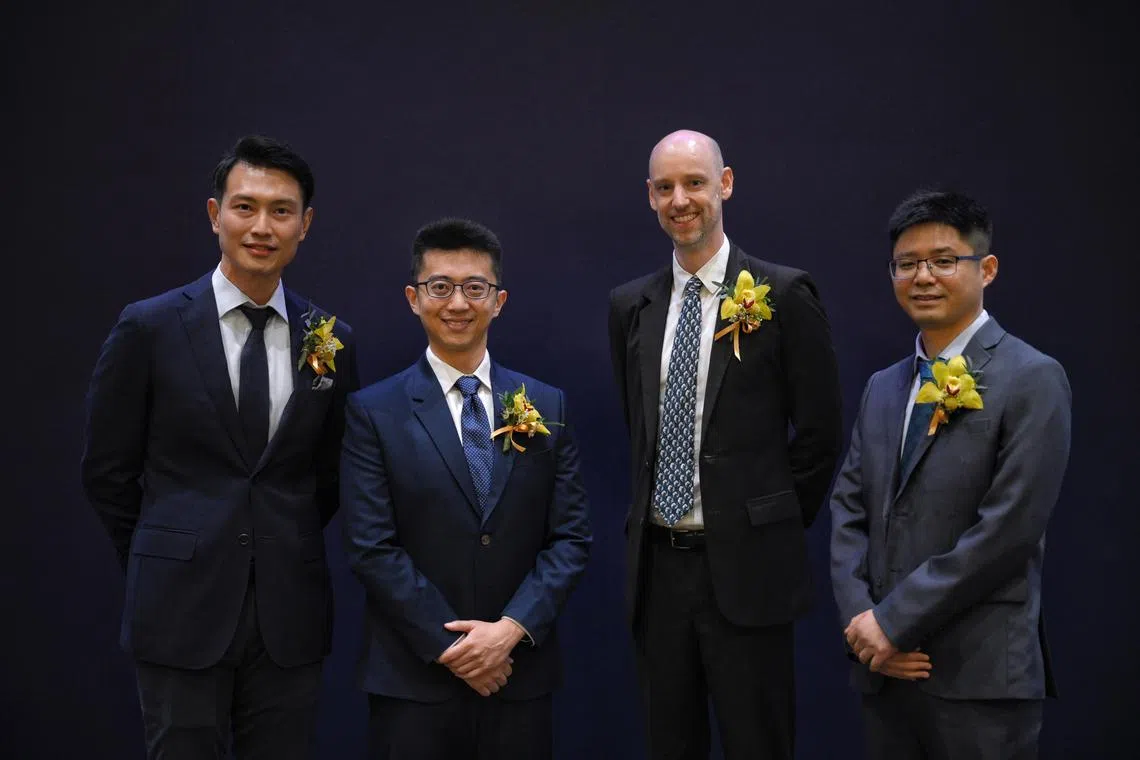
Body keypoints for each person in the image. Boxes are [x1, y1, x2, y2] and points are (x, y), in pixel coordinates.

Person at [81, 134, 358, 758]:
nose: (262, 226)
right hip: (179, 608)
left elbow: (331, 475)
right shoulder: (148, 327)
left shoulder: (332, 338)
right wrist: (170, 550)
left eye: (281, 211)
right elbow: (107, 471)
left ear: (305, 225)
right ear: (215, 215)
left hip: (289, 612)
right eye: (245, 207)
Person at [607, 129, 843, 759]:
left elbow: (821, 434)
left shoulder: (783, 295)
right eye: (665, 188)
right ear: (650, 197)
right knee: (669, 743)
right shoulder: (630, 305)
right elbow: (643, 430)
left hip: (747, 569)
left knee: (757, 743)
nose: (680, 200)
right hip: (659, 569)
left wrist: (766, 520)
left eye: (694, 183)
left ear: (726, 184)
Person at [830, 189, 1071, 759]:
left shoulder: (1032, 377)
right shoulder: (883, 387)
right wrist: (864, 625)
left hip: (979, 679)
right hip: (885, 673)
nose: (923, 277)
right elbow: (847, 512)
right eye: (907, 264)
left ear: (986, 269)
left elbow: (1009, 530)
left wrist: (893, 622)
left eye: (943, 261)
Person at [340, 217, 591, 759]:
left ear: (498, 300)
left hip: (517, 675)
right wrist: (454, 646)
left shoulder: (547, 406)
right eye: (440, 287)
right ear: (413, 298)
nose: (458, 303)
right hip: (413, 679)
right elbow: (370, 547)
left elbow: (571, 539)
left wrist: (508, 633)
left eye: (474, 288)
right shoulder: (373, 412)